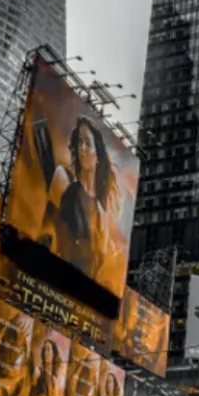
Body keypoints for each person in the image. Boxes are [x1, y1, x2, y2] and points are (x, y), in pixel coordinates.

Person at [45, 115, 119, 281]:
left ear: (98, 154)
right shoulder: (63, 179)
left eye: (87, 142)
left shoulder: (101, 213)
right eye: (79, 142)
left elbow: (99, 267)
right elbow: (46, 231)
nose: (82, 148)